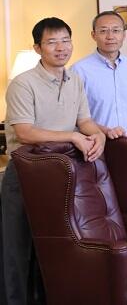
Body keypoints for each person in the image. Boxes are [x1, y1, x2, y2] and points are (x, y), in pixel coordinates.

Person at [2, 17, 106, 305]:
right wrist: (72, 137)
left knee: (55, 246)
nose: (61, 48)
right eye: (51, 42)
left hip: (62, 172)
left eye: (65, 40)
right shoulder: (23, 83)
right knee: (17, 248)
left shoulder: (75, 79)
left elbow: (84, 120)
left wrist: (98, 136)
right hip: (26, 172)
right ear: (37, 48)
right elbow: (25, 132)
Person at [71, 11, 127, 171]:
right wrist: (105, 131)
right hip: (95, 150)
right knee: (101, 195)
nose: (110, 36)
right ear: (93, 35)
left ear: (124, 35)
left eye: (116, 30)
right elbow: (74, 116)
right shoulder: (79, 70)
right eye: (103, 31)